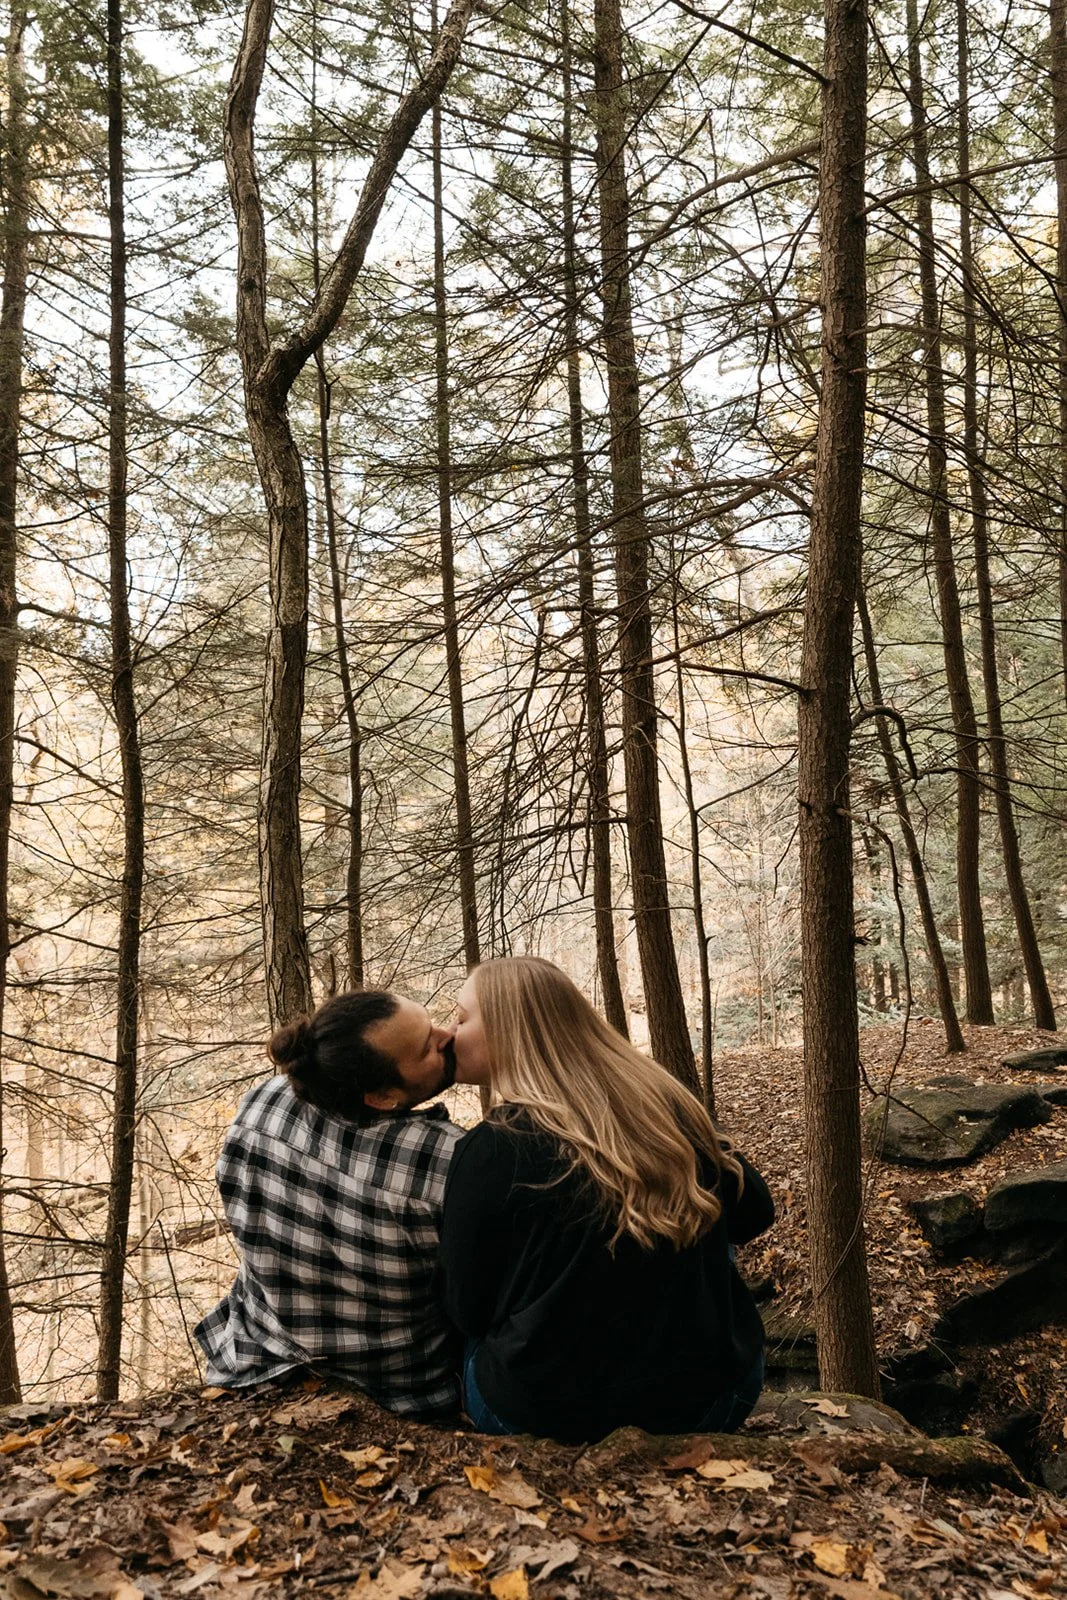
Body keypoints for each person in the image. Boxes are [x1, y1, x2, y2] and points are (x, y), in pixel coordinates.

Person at [439, 957, 774, 1443]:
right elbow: (755, 1213)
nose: (450, 1032)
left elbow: (467, 1310)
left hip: (549, 1422)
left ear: (513, 1030)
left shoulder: (490, 1148)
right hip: (712, 1404)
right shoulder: (662, 1106)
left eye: (462, 1017)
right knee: (705, 1233)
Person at [195, 988, 467, 1418]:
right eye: (424, 1046)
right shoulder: (447, 1160)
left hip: (254, 1359)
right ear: (380, 1096)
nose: (446, 1035)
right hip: (401, 1393)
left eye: (430, 1022)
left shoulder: (264, 1102)